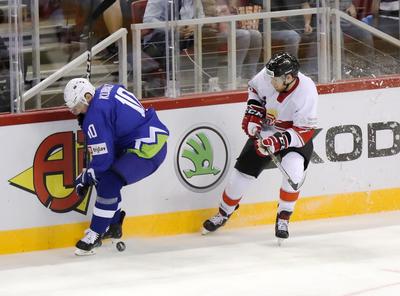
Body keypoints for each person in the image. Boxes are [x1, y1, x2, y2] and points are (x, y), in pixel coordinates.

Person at [202, 52, 318, 242]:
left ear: (289, 78)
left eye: (275, 80)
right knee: (238, 177)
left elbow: (304, 132)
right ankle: (224, 213)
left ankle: (283, 217)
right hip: (268, 130)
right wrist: (253, 114)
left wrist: (276, 142)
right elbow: (254, 90)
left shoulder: (307, 91)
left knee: (294, 173)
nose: (270, 82)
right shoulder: (269, 74)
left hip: (293, 136)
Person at [63, 78, 169, 255]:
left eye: (77, 107)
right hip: (147, 139)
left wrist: (86, 177)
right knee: (103, 177)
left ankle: (96, 234)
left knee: (108, 180)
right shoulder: (106, 90)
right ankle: (113, 224)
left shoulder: (95, 116)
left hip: (147, 150)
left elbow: (103, 162)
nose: (75, 112)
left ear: (87, 97)